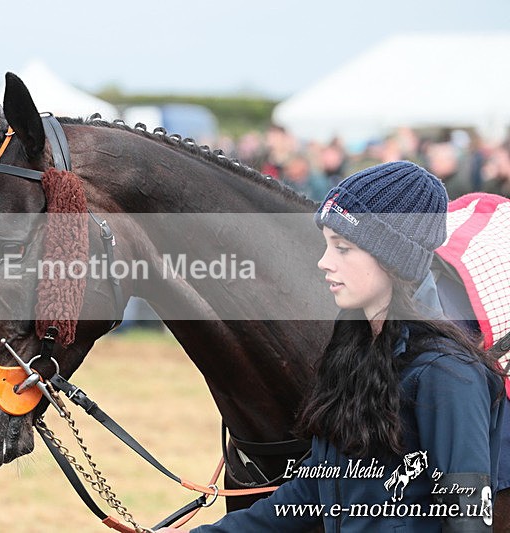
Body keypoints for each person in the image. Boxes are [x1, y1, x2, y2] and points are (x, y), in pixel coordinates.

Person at [160, 161, 504, 532]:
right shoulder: (351, 354)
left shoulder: (448, 373)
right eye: (327, 246)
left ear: (392, 259)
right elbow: (309, 493)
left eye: (343, 248)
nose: (324, 262)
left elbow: (469, 520)